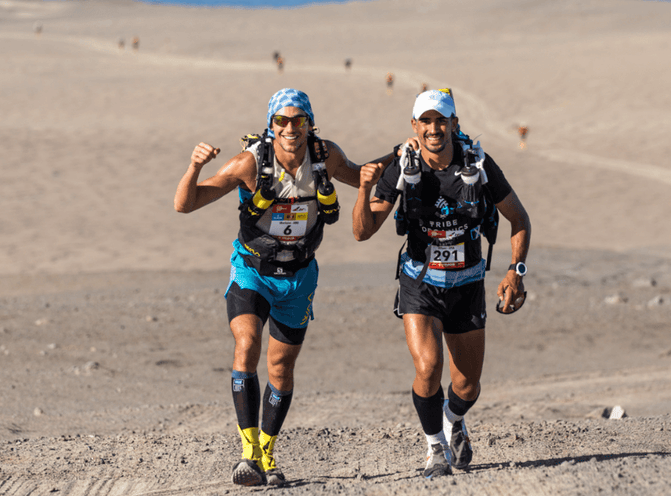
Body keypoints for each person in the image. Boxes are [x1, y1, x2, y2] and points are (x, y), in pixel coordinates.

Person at [174, 88, 363, 486]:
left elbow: (361, 176)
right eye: (282, 121)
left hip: (299, 275)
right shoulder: (249, 163)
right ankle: (248, 456)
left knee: (281, 367)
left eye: (298, 120)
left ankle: (268, 452)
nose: (290, 128)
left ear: (310, 123)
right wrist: (193, 167)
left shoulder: (325, 157)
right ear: (270, 125)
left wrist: (401, 166)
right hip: (252, 270)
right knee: (247, 344)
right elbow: (185, 204)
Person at [352, 88, 532, 478]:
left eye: (441, 120)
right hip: (420, 282)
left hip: (467, 282)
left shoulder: (479, 165)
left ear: (453, 123)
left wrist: (515, 271)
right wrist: (365, 189)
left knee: (467, 386)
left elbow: (519, 218)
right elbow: (362, 233)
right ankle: (435, 446)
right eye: (425, 121)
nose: (434, 128)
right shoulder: (401, 168)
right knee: (429, 367)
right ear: (414, 127)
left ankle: (452, 419)